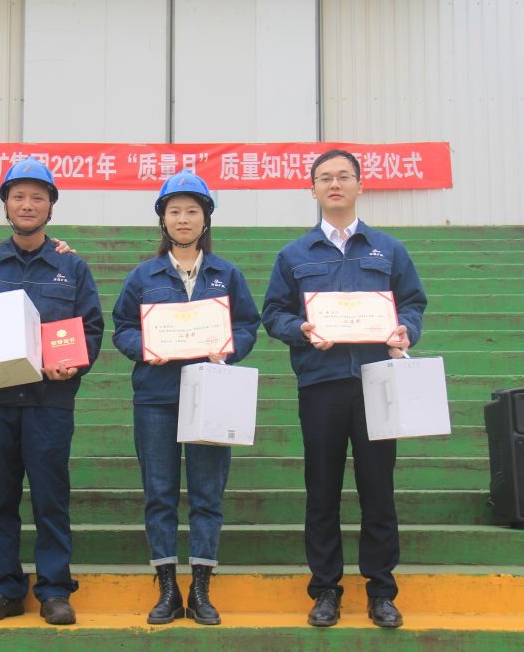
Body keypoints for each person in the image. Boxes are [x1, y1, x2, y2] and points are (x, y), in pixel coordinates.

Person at [261, 149, 427, 629]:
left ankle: (382, 592)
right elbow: (274, 313)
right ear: (312, 188)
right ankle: (325, 591)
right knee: (322, 491)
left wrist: (406, 330)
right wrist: (301, 330)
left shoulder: (388, 249)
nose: (334, 184)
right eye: (325, 178)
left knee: (379, 491)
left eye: (344, 176)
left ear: (359, 185)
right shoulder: (294, 254)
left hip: (378, 381)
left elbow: (413, 302)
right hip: (321, 385)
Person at [0, 156, 103, 626]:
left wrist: (73, 364)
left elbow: (91, 329)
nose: (27, 205)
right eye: (18, 197)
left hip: (50, 402)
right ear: (6, 205)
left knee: (51, 498)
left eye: (37, 197)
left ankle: (54, 590)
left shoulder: (71, 267)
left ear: (51, 206)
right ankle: (3, 588)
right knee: (0, 498)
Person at [112, 170, 260, 626]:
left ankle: (200, 591)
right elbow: (123, 328)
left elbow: (247, 325)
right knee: (159, 494)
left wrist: (228, 349)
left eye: (192, 211)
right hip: (156, 397)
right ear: (162, 219)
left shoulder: (226, 274)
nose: (183, 219)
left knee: (206, 495)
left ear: (205, 219)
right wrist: (147, 349)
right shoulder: (144, 275)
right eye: (174, 211)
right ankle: (166, 590)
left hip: (212, 394)